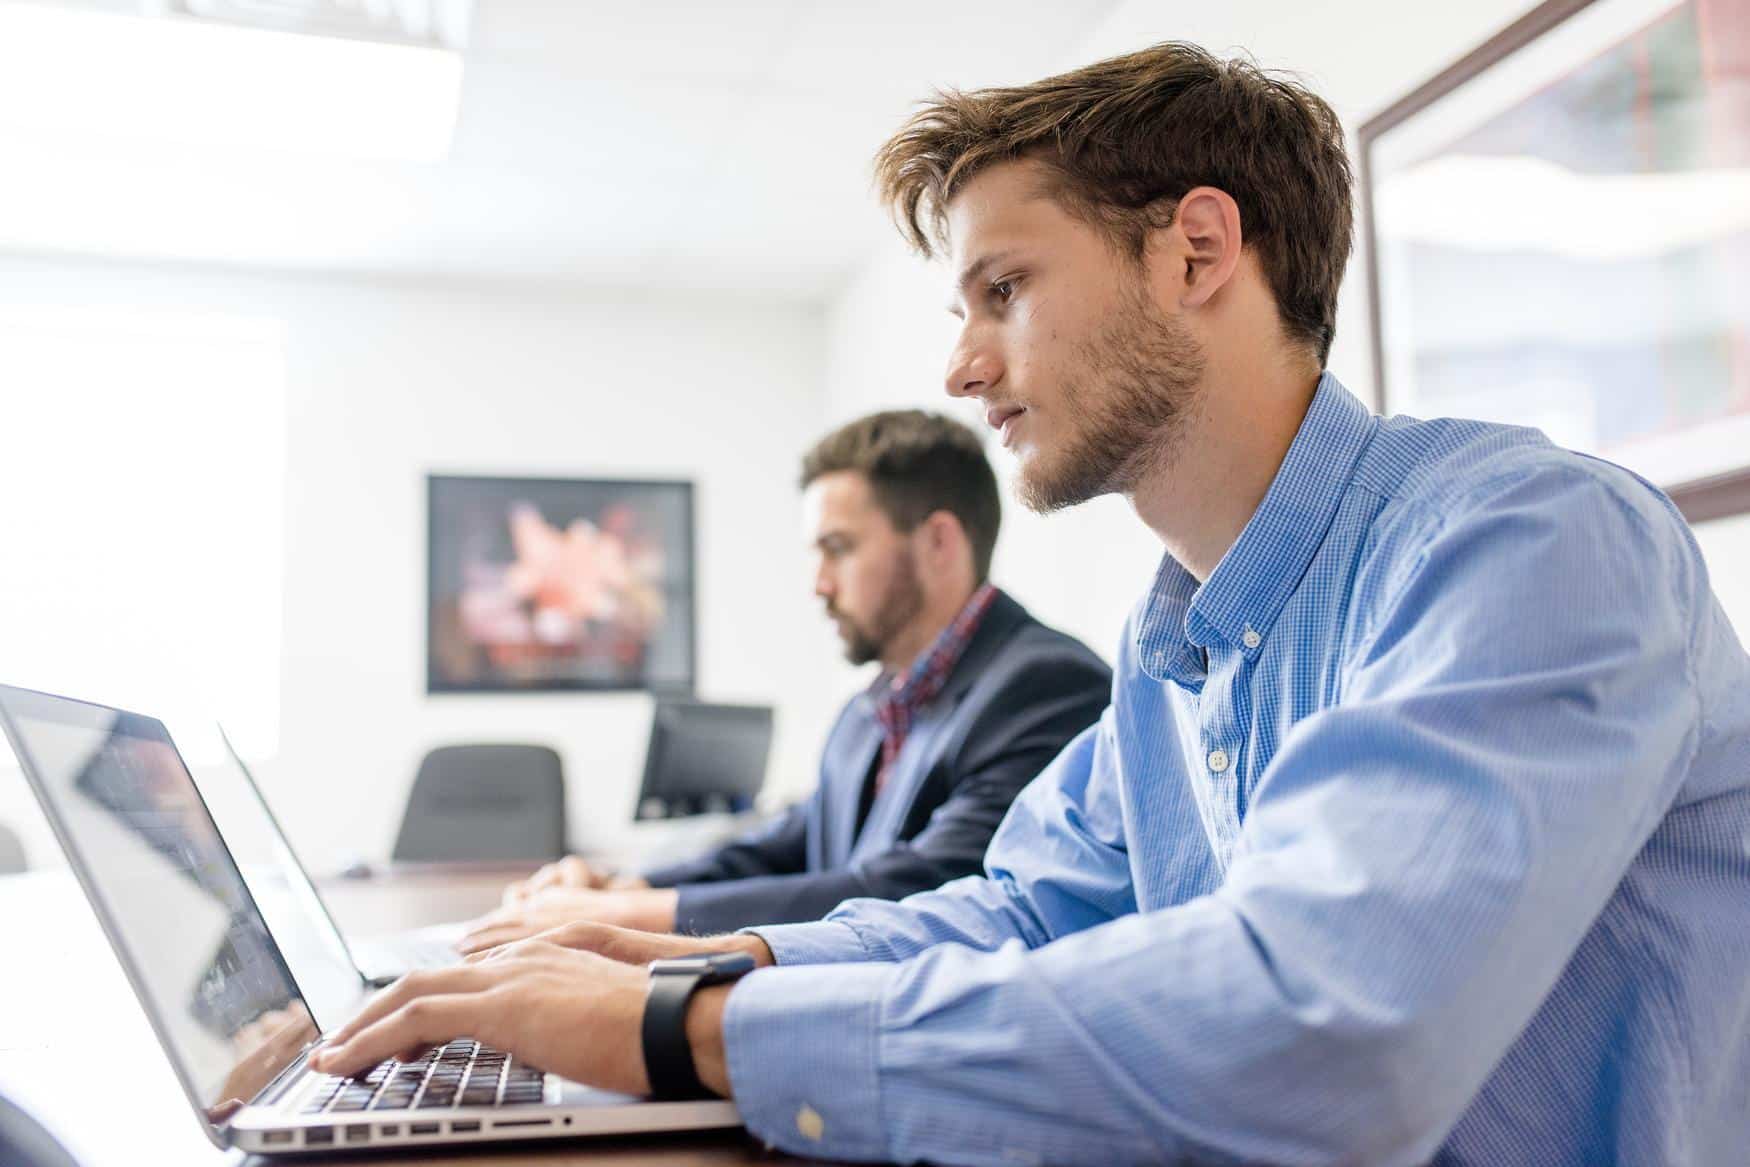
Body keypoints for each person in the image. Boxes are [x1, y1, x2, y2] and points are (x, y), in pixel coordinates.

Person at [314, 41, 1750, 1166]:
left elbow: (1325, 1027)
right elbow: (1020, 909)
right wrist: (696, 952)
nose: (958, 366)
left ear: (1196, 251)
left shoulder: (1528, 544)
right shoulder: (1174, 639)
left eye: (1000, 289)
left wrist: (686, 1024)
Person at [462, 409, 1109, 945]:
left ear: (939, 542)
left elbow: (917, 890)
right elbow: (785, 846)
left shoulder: (1046, 687)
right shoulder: (868, 712)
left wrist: (620, 920)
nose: (818, 583)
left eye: (839, 548)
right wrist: (625, 887)